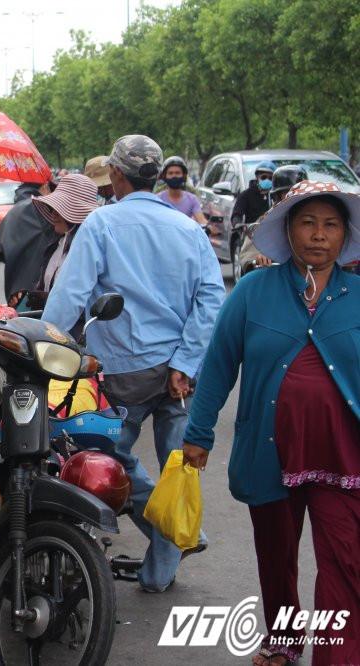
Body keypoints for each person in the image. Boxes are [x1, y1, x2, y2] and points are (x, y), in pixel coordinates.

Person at [183, 181, 360, 666]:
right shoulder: (253, 291)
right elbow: (219, 363)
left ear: (344, 237)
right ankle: (283, 639)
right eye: (308, 223)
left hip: (343, 453)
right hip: (271, 451)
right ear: (288, 230)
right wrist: (198, 433)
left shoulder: (359, 295)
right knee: (276, 555)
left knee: (345, 560)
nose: (319, 235)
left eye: (330, 225)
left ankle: (337, 654)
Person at [42, 134, 225, 593]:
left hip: (123, 371)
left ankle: (172, 539)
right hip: (180, 374)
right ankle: (164, 564)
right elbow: (211, 300)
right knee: (177, 469)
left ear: (117, 175)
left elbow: (70, 296)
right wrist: (186, 360)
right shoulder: (188, 229)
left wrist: (40, 345)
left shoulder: (102, 225)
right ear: (160, 175)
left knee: (109, 459)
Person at [25, 174, 99, 312]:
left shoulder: (86, 249)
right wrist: (29, 297)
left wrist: (47, 299)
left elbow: (83, 301)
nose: (53, 213)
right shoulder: (57, 244)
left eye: (59, 208)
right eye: (53, 208)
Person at [236, 164, 308, 275]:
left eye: (298, 193)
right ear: (277, 196)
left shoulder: (317, 218)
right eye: (288, 193)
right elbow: (248, 257)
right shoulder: (264, 222)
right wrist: (260, 258)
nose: (293, 197)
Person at [0, 179, 55, 309]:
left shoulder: (15, 209)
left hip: (14, 285)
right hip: (35, 287)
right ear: (46, 186)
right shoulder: (41, 211)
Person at [157, 156, 208, 225]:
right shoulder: (158, 199)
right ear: (164, 176)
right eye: (170, 173)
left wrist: (207, 227)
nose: (174, 176)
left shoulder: (192, 199)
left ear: (183, 176)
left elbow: (201, 220)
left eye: (177, 173)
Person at [231, 160, 277, 230]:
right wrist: (238, 224)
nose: (267, 180)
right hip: (252, 234)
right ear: (257, 177)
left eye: (270, 178)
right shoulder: (246, 194)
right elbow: (236, 214)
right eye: (263, 177)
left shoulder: (276, 194)